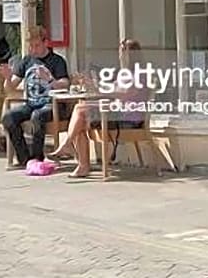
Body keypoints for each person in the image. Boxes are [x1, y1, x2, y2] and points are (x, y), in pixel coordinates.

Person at [48, 39, 147, 178]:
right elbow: (112, 90)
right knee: (80, 113)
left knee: (80, 112)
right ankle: (76, 158)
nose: (121, 56)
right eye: (120, 52)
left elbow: (125, 93)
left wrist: (102, 90)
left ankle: (73, 152)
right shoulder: (123, 73)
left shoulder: (139, 74)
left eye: (124, 53)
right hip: (116, 112)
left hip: (129, 118)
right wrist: (93, 85)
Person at [1, 25, 70, 165]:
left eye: (37, 45)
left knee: (37, 116)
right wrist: (8, 78)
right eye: (31, 46)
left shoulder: (57, 61)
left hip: (53, 105)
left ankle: (37, 158)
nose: (33, 49)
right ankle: (24, 158)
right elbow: (10, 88)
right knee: (9, 117)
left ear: (46, 43)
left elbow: (65, 83)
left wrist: (49, 79)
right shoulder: (27, 61)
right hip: (31, 103)